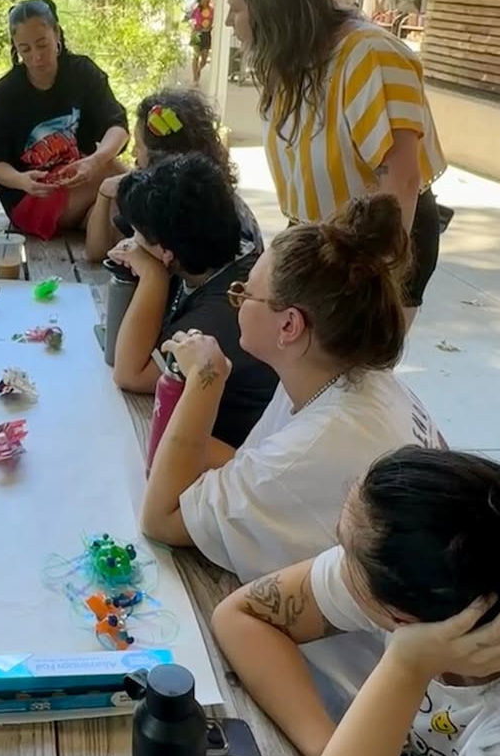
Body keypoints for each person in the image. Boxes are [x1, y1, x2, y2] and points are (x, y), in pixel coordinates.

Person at [140, 194, 443, 697]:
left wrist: (205, 379)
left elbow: (162, 517)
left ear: (289, 326)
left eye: (245, 294)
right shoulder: (345, 379)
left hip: (350, 692)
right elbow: (248, 468)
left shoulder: (318, 444)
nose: (237, 302)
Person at [212, 447, 500, 756]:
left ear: (402, 618)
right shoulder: (466, 581)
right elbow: (241, 616)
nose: (339, 558)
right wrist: (329, 752)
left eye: (345, 547)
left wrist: (405, 666)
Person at [225, 0, 447, 319]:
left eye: (236, 8)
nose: (230, 21)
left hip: (375, 248)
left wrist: (370, 279)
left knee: (340, 357)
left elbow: (401, 183)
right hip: (323, 238)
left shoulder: (369, 55)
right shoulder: (297, 60)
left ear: (270, 8)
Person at [107, 153, 277, 448]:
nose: (132, 240)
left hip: (230, 449)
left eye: (138, 233)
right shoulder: (212, 254)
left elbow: (130, 374)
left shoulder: (228, 306)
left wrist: (152, 276)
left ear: (166, 253)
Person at [0, 0, 129, 241]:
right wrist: (20, 180)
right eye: (25, 49)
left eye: (42, 44)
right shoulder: (6, 93)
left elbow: (118, 126)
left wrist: (94, 161)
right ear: (15, 48)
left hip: (82, 182)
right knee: (119, 175)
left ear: (56, 33)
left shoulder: (82, 73)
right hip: (32, 195)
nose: (36, 57)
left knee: (113, 218)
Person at [85, 88, 262, 263]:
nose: (133, 154)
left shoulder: (193, 210)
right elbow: (97, 252)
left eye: (138, 146)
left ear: (161, 157)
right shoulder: (183, 195)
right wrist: (104, 193)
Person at [189, 0, 214, 83]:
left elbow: (212, 21)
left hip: (206, 34)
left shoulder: (211, 10)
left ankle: (199, 70)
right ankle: (195, 78)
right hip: (197, 33)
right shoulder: (197, 9)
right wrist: (193, 26)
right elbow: (191, 19)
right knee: (196, 56)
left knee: (204, 58)